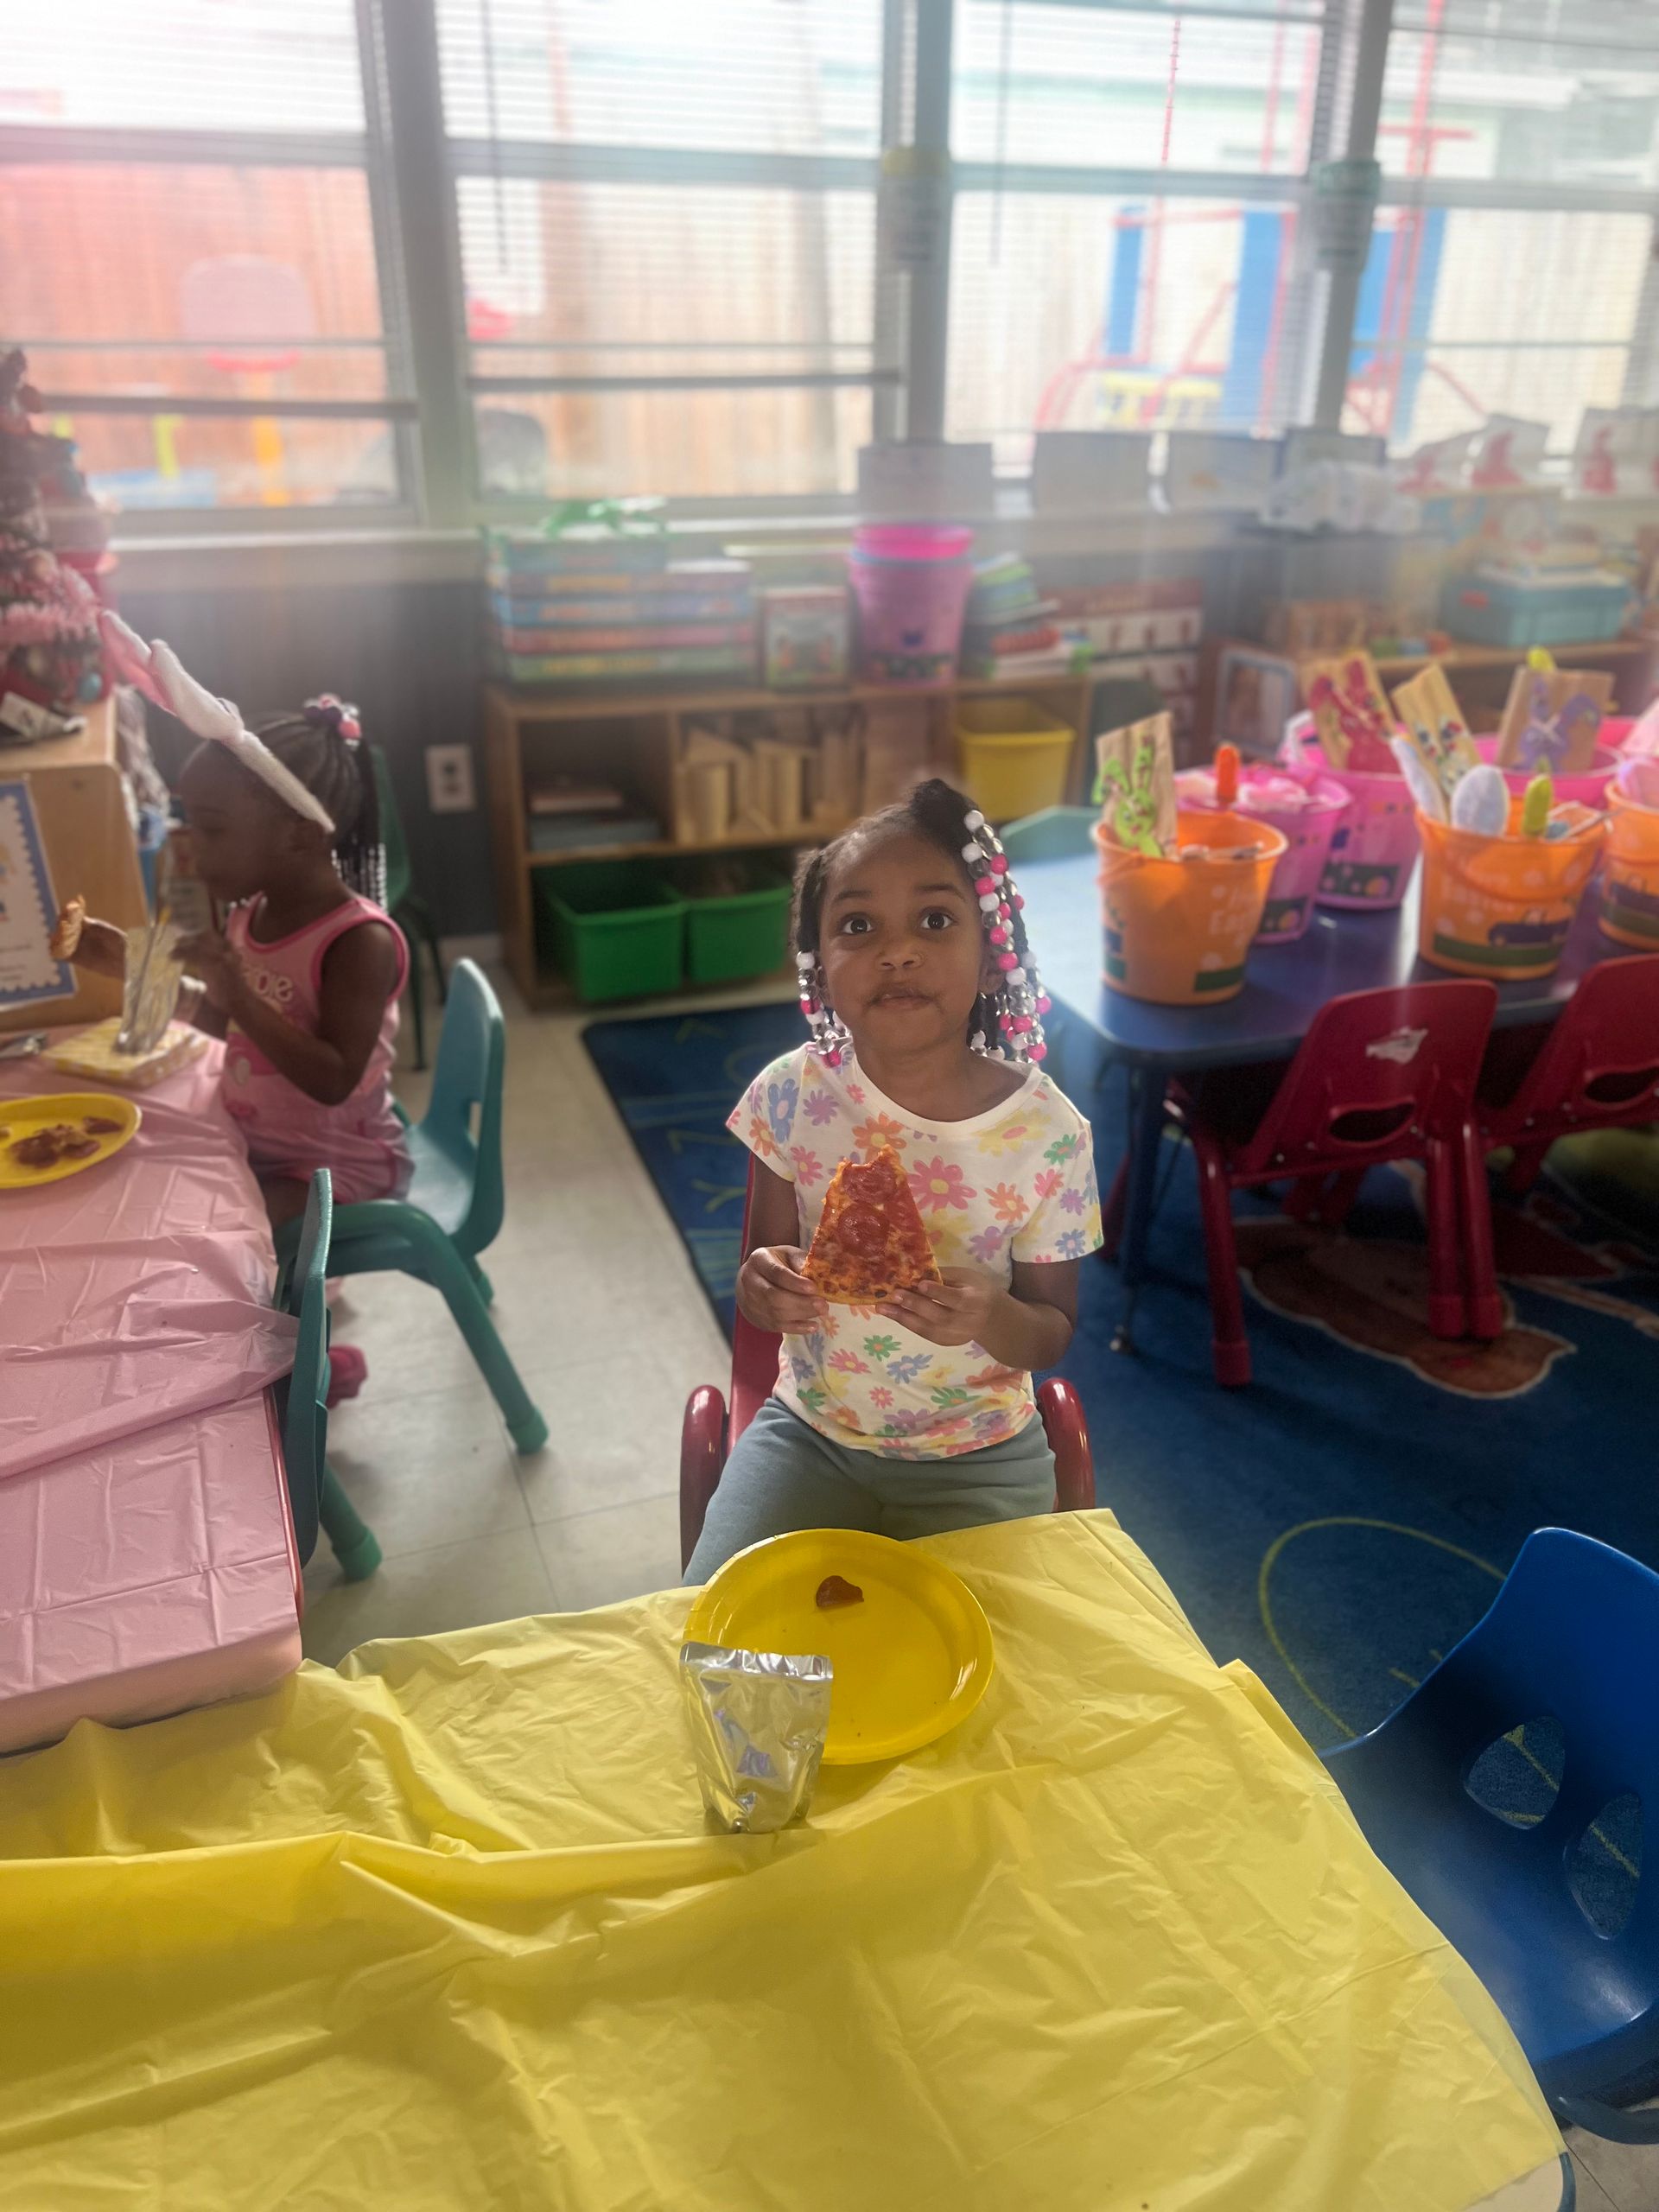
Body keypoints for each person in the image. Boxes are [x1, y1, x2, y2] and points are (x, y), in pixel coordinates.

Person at [686, 778, 1102, 1581]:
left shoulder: (1049, 1135)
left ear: (991, 956)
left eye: (936, 920)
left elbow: (1052, 1332)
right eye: (857, 925)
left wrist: (990, 1314)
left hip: (979, 1453)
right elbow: (767, 1268)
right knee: (718, 1641)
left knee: (995, 1674)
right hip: (810, 1434)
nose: (897, 949)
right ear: (820, 966)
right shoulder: (791, 1094)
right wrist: (764, 1285)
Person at [62, 625, 410, 1232]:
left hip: (334, 1169)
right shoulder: (253, 913)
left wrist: (239, 993)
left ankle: (306, 1326)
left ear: (299, 833)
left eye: (213, 828)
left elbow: (332, 1080)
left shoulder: (359, 943)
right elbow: (220, 1024)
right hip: (261, 1139)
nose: (191, 847)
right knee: (146, 1195)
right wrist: (131, 966)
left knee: (224, 1235)